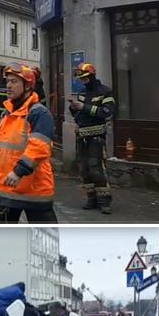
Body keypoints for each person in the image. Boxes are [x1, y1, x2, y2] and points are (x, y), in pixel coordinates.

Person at [0, 65, 56, 223]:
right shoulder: (8, 113)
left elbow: (39, 147)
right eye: (7, 81)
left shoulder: (39, 113)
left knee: (45, 242)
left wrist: (18, 171)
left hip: (34, 190)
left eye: (14, 81)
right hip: (7, 189)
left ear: (27, 86)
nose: (8, 86)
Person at [69, 62, 117, 214]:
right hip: (82, 136)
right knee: (84, 170)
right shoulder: (83, 93)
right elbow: (79, 115)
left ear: (91, 76)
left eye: (84, 79)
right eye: (81, 79)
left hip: (96, 137)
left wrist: (84, 107)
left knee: (95, 168)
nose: (83, 82)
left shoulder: (105, 92)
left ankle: (104, 201)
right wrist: (74, 109)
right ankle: (91, 199)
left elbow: (106, 112)